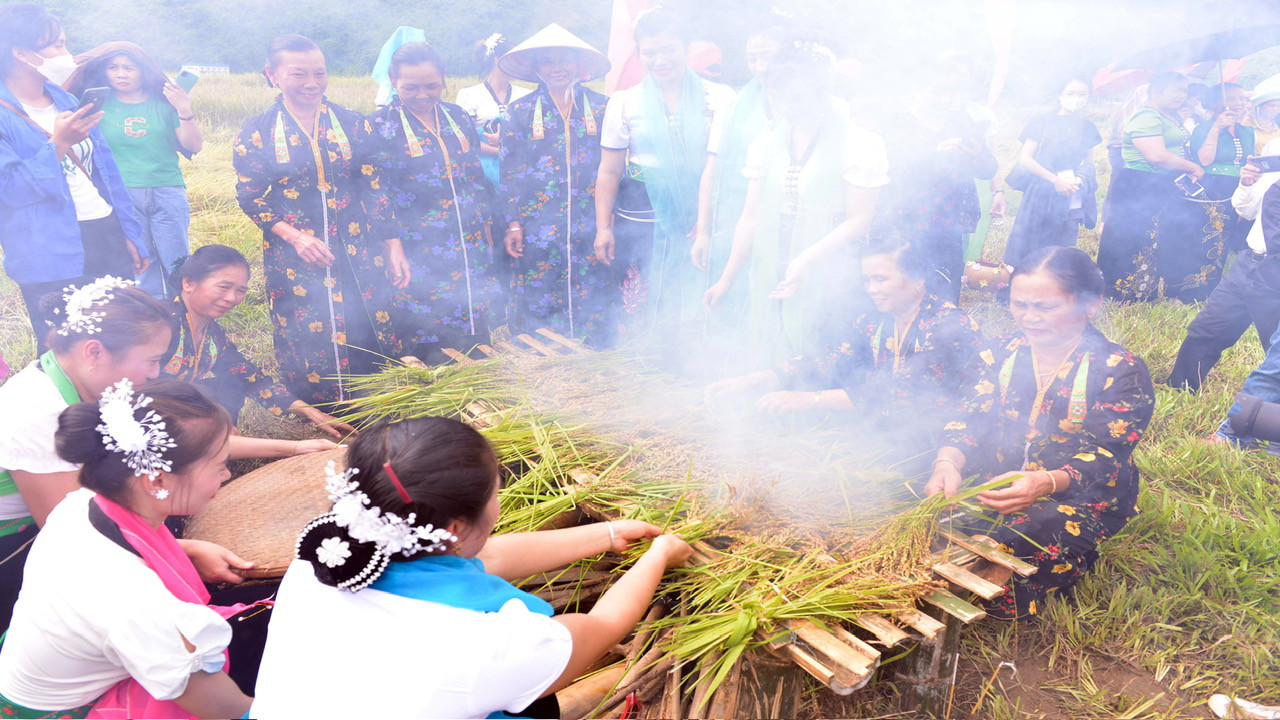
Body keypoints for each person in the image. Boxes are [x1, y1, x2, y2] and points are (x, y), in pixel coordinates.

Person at [251, 416, 693, 718]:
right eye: (495, 493)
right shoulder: (484, 644)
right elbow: (602, 625)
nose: (497, 502)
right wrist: (659, 554)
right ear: (455, 528)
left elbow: (489, 556)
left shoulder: (324, 561)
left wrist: (608, 534)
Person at [924, 247, 1155, 620]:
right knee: (918, 483)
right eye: (1019, 305)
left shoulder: (1120, 369)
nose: (1029, 318)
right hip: (996, 473)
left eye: (1045, 308)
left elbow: (1108, 454)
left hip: (1075, 492)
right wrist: (947, 461)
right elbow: (970, 413)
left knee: (1031, 534)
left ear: (1090, 304)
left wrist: (1043, 482)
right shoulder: (999, 350)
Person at [0, 379, 252, 718]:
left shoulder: (83, 503)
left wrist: (189, 550)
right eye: (220, 464)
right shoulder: (134, 602)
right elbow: (228, 709)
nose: (226, 474)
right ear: (158, 480)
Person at [705, 236, 980, 481]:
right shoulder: (875, 318)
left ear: (917, 279)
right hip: (885, 436)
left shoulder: (948, 327)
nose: (871, 288)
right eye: (867, 280)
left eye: (881, 279)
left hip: (942, 450)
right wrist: (758, 378)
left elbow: (901, 391)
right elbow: (826, 359)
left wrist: (808, 399)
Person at [234, 34, 399, 404]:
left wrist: (392, 245)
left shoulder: (354, 123)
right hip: (294, 254)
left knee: (365, 316)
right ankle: (320, 404)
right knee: (306, 323)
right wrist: (296, 238)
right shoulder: (256, 130)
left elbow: (375, 187)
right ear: (271, 74)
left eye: (319, 73)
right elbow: (250, 195)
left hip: (357, 247)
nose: (312, 83)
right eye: (298, 74)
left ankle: (376, 399)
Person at [703, 40, 888, 362]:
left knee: (819, 343)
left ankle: (812, 407)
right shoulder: (766, 143)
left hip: (830, 265)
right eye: (778, 96)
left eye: (798, 97)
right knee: (768, 338)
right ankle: (770, 403)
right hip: (770, 260)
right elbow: (750, 217)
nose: (787, 106)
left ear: (822, 91)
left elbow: (859, 219)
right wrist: (727, 278)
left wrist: (805, 259)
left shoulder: (859, 144)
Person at [0, 4, 149, 347]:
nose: (67, 55)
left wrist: (127, 231)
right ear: (22, 53)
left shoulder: (64, 99)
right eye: (57, 46)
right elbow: (9, 190)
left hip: (103, 231)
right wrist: (58, 143)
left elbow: (106, 173)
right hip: (46, 249)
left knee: (118, 339)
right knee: (66, 346)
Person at [594, 6, 736, 339]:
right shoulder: (624, 102)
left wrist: (708, 216)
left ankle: (692, 355)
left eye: (669, 49)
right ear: (640, 54)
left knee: (699, 276)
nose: (660, 60)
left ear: (687, 49)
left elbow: (722, 164)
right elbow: (610, 169)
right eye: (650, 52)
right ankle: (645, 355)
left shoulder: (720, 97)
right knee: (643, 282)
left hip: (702, 208)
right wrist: (603, 226)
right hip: (642, 211)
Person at [366, 42, 500, 362]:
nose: (423, 95)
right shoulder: (378, 124)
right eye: (411, 87)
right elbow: (375, 190)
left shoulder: (456, 115)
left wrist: (487, 225)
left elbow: (474, 176)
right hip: (415, 242)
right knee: (425, 316)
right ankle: (432, 383)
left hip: (466, 238)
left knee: (471, 308)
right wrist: (392, 244)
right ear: (393, 80)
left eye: (432, 86)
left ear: (443, 79)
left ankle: (478, 377)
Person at [162, 244, 358, 436]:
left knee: (228, 387)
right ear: (188, 283)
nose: (232, 298)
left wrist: (311, 412)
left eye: (240, 291)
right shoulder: (161, 324)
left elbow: (249, 378)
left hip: (173, 404)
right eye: (223, 286)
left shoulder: (212, 334)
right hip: (145, 415)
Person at [497, 25, 614, 345]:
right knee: (540, 284)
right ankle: (541, 351)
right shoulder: (519, 112)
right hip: (538, 222)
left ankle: (596, 351)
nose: (556, 68)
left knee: (594, 282)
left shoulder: (605, 107)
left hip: (593, 218)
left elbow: (616, 167)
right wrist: (514, 222)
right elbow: (510, 171)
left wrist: (610, 219)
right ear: (536, 67)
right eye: (547, 62)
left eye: (563, 60)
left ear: (579, 64)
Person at [67, 42, 203, 299]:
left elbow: (194, 145)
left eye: (129, 68)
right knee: (141, 261)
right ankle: (152, 315)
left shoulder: (165, 103)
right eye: (113, 67)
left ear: (143, 70)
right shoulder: (98, 105)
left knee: (177, 260)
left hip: (167, 190)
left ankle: (183, 310)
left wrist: (184, 108)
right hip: (122, 195)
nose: (121, 73)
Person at [690, 17, 785, 350]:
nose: (760, 67)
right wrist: (703, 231)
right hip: (737, 220)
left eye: (769, 56)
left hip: (789, 227)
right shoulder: (734, 105)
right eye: (752, 57)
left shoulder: (812, 105)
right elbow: (712, 170)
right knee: (731, 297)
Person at [875, 60, 998, 302]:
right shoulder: (898, 124)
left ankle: (945, 333)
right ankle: (905, 336)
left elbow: (987, 169)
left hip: (950, 221)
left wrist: (977, 155)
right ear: (916, 91)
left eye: (951, 93)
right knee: (909, 285)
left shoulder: (960, 121)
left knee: (946, 282)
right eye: (937, 92)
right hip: (908, 222)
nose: (945, 99)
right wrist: (933, 154)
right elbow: (888, 171)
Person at [1097, 71, 1207, 302]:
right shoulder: (1146, 116)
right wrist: (1192, 167)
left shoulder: (1166, 115)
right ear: (1155, 91)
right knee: (1131, 236)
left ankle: (1146, 289)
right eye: (1176, 89)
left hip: (1159, 183)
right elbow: (1156, 155)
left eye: (1184, 90)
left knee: (1154, 236)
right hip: (1140, 184)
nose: (1182, 95)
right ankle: (1121, 293)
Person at [1002, 77, 1101, 269]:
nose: (1076, 98)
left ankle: (1051, 288)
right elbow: (1026, 158)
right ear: (1060, 95)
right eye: (1070, 93)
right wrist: (1054, 180)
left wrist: (1078, 179)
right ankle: (1019, 286)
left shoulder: (1088, 127)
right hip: (1040, 188)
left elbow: (1090, 162)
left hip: (1070, 190)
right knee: (1029, 239)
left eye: (1082, 94)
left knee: (1060, 243)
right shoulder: (1042, 121)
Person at [455, 33, 532, 190]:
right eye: (514, 60)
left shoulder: (526, 95)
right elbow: (464, 140)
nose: (519, 65)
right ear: (498, 59)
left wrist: (509, 147)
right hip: (483, 174)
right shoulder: (468, 95)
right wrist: (500, 150)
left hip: (521, 169)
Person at [1190, 83, 1255, 252]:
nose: (1239, 103)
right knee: (1208, 240)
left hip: (1239, 187)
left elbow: (1248, 162)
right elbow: (1204, 160)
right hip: (1213, 189)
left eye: (1242, 98)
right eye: (1232, 99)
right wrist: (1216, 127)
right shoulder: (1202, 129)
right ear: (1213, 103)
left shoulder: (1247, 131)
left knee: (1230, 239)